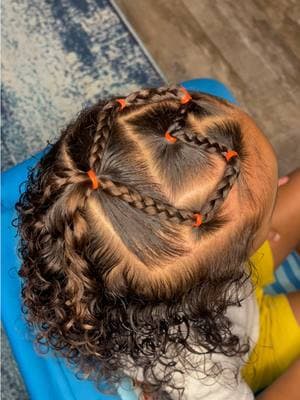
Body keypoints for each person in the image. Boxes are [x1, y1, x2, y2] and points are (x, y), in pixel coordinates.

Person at [15, 85, 300, 399]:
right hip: (252, 341)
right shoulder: (200, 377)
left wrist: (258, 218)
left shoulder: (104, 222)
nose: (282, 181)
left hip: (231, 274)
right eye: (273, 192)